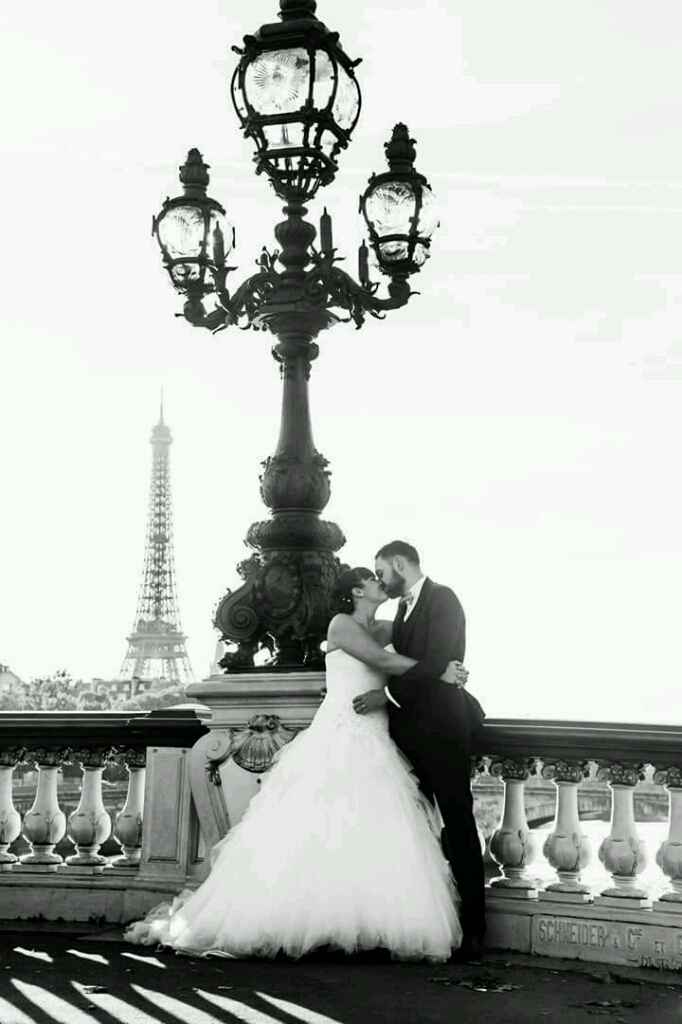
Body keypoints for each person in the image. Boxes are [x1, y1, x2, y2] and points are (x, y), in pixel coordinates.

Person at [124, 567, 464, 961]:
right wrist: (440, 671)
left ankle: (354, 922)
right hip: (341, 730)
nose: (380, 583)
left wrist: (436, 671)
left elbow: (412, 657)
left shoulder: (387, 627)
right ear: (357, 591)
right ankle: (320, 922)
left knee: (366, 826)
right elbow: (383, 662)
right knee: (324, 824)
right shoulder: (341, 625)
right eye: (374, 579)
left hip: (375, 732)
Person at [353, 541, 486, 961]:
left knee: (458, 822)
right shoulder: (401, 611)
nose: (381, 580)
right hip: (411, 731)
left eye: (382, 571)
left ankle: (475, 929)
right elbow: (428, 667)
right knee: (418, 829)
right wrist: (429, 674)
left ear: (398, 563)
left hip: (445, 730)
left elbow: (437, 660)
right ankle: (427, 922)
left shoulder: (443, 598)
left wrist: (386, 694)